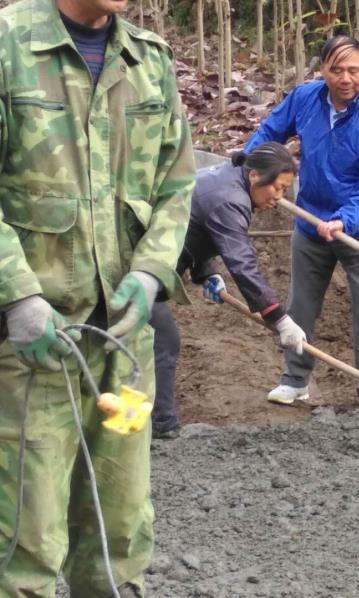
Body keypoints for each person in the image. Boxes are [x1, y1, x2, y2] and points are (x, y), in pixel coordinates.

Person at [0, 0, 195, 596]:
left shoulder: (149, 61)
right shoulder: (8, 46)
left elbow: (176, 181)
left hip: (123, 345)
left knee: (121, 530)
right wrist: (18, 297)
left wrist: (154, 270)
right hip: (34, 348)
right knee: (25, 538)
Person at [244, 35, 359, 411]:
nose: (346, 78)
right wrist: (249, 159)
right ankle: (296, 380)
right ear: (323, 70)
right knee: (300, 306)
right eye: (337, 69)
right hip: (311, 222)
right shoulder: (305, 98)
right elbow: (269, 132)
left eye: (354, 70)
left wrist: (345, 219)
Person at [150, 143, 304, 439]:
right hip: (143, 268)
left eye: (286, 190)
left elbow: (194, 223)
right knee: (164, 341)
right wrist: (280, 320)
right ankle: (161, 425)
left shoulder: (228, 175)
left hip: (155, 261)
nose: (279, 197)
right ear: (256, 176)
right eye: (278, 188)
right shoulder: (231, 199)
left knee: (154, 340)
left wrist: (206, 272)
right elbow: (242, 264)